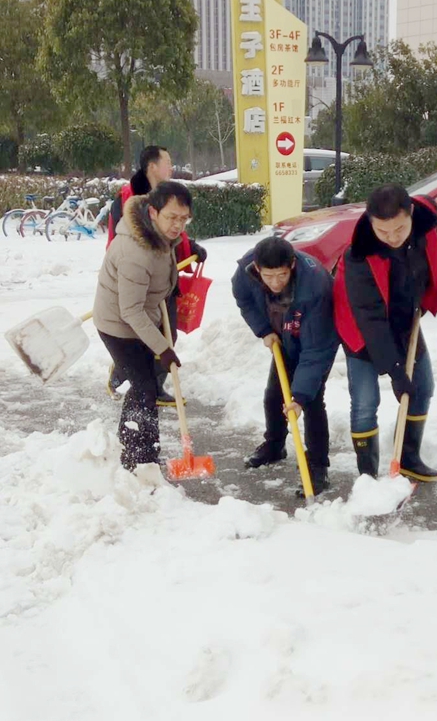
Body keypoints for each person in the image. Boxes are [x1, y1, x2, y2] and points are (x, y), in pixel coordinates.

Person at [333, 184, 437, 481]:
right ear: (371, 224)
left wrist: (419, 298)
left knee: (422, 387)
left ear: (411, 215)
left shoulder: (426, 225)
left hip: (403, 319)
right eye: (384, 232)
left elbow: (433, 252)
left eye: (400, 229)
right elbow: (369, 318)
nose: (393, 238)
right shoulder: (359, 255)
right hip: (360, 328)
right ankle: (367, 477)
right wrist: (395, 371)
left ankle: (409, 457)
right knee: (366, 401)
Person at [93, 182, 193, 471]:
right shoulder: (135, 251)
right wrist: (163, 348)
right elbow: (131, 311)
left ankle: (136, 447)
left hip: (141, 315)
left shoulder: (157, 234)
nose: (178, 225)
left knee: (144, 384)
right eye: (172, 217)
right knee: (145, 386)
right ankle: (139, 458)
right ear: (153, 212)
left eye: (184, 218)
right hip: (118, 325)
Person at [232, 236, 339, 496]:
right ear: (257, 268)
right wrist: (264, 330)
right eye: (269, 276)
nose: (276, 282)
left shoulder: (315, 286)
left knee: (312, 401)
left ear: (291, 264)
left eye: (281, 275)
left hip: (316, 339)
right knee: (274, 396)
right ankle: (274, 446)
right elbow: (244, 300)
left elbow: (315, 351)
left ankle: (317, 466)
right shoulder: (245, 271)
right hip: (283, 335)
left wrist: (300, 396)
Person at [106, 145, 207, 405]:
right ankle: (131, 377)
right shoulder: (129, 198)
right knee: (152, 339)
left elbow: (173, 235)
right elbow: (128, 242)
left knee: (167, 335)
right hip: (140, 279)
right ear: (152, 166)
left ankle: (147, 384)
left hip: (164, 278)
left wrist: (191, 248)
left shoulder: (169, 197)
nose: (171, 168)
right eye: (168, 162)